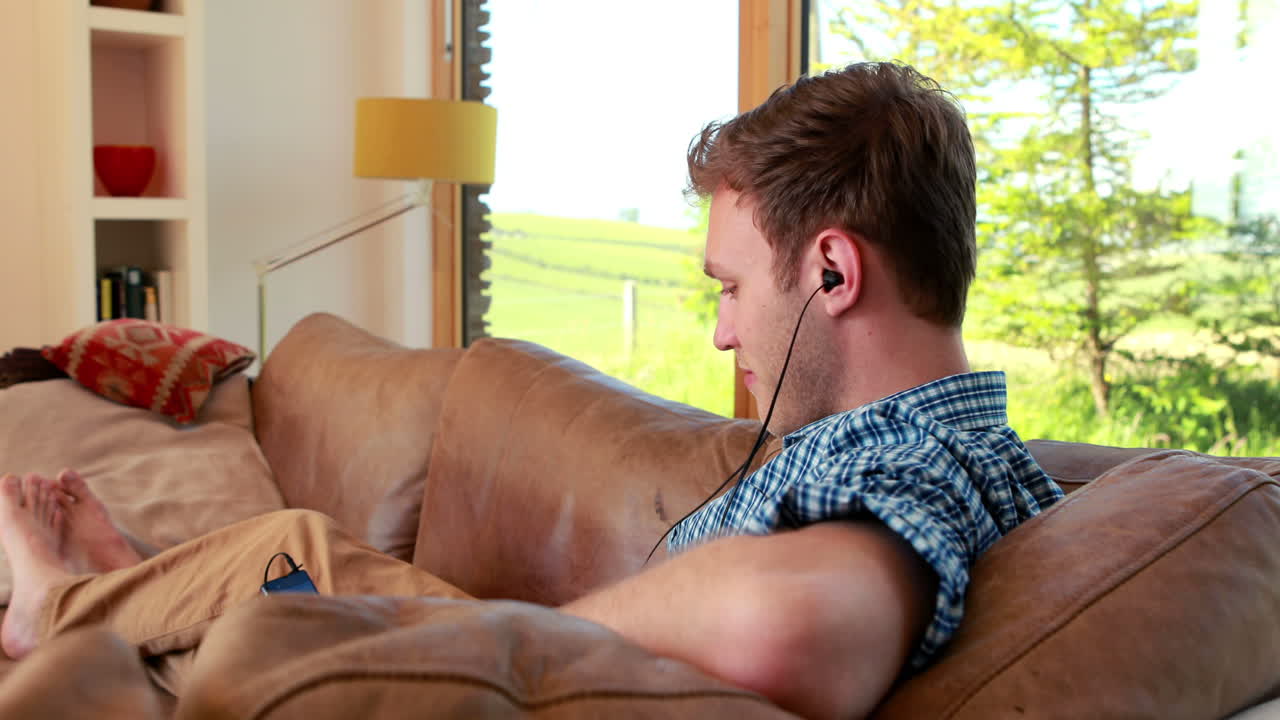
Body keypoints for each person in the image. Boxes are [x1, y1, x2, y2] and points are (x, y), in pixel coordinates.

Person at [0, 61, 1062, 720]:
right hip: (546, 660)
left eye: (731, 288)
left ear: (832, 271)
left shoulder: (913, 458)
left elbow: (783, 625)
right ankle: (114, 600)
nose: (724, 330)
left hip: (539, 678)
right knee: (298, 559)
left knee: (295, 582)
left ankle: (68, 609)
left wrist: (520, 633)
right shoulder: (935, 443)